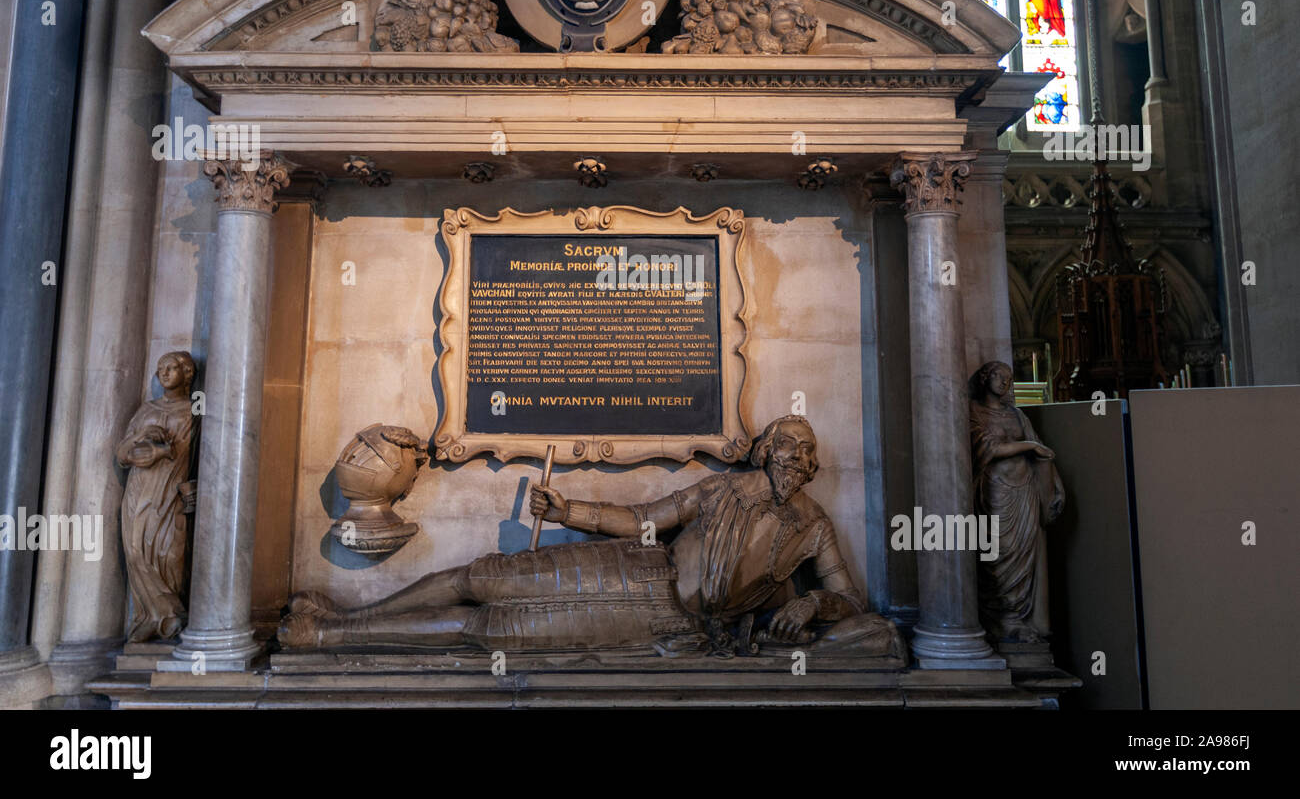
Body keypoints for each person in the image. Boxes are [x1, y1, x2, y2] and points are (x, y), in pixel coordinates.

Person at [279, 415, 902, 657]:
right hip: (634, 567)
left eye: (807, 452)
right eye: (787, 447)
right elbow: (642, 522)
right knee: (482, 577)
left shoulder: (812, 526)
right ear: (765, 452)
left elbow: (846, 598)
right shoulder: (721, 492)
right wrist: (567, 507)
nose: (796, 459)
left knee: (493, 628)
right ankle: (350, 616)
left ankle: (328, 635)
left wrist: (810, 601)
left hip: (668, 623)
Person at [969, 361, 1065, 642]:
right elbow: (988, 448)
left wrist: (1054, 487)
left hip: (1025, 492)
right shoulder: (975, 411)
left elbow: (1043, 452)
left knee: (1026, 553)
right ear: (987, 378)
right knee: (999, 554)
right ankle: (1001, 618)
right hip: (995, 492)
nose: (1005, 383)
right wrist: (1029, 446)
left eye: (1010, 379)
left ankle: (1020, 618)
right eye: (1000, 377)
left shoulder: (1018, 415)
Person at [115, 352, 198, 642]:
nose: (164, 373)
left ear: (186, 373)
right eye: (160, 368)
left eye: (171, 367)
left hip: (171, 489)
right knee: (136, 550)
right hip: (140, 489)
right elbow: (122, 454)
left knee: (170, 553)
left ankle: (171, 612)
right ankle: (154, 615)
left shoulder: (194, 411)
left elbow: (202, 454)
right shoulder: (146, 410)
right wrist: (141, 437)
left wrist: (196, 485)